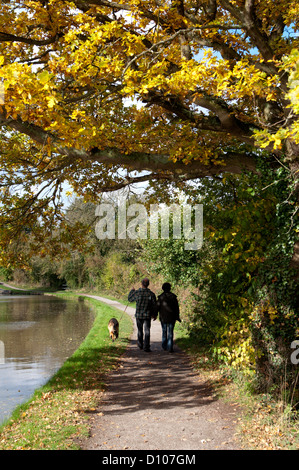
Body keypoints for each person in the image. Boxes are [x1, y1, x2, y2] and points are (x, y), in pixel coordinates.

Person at [128, 278, 157, 352]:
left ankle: (140, 345)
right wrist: (155, 314)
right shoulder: (151, 294)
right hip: (147, 315)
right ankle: (146, 347)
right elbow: (154, 305)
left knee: (140, 330)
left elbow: (130, 299)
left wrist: (132, 291)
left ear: (141, 284)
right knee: (147, 330)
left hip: (139, 315)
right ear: (148, 284)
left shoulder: (137, 292)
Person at [157, 282, 181, 353]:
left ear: (163, 288)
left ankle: (164, 346)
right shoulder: (173, 297)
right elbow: (177, 308)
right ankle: (170, 347)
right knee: (170, 332)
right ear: (170, 288)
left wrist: (154, 314)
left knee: (164, 331)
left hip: (163, 317)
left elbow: (157, 307)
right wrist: (177, 316)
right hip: (172, 317)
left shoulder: (160, 297)